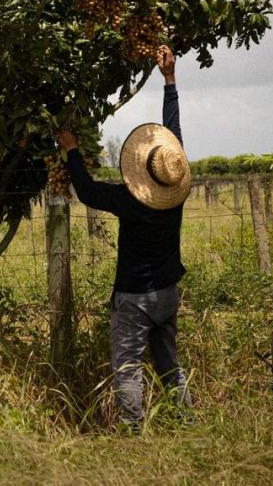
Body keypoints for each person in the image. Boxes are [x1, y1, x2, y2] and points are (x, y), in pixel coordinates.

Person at [57, 44, 192, 427]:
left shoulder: (129, 199)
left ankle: (133, 432)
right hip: (167, 291)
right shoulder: (176, 191)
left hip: (134, 297)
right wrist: (170, 82)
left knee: (128, 366)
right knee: (170, 364)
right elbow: (176, 145)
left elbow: (87, 191)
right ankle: (187, 422)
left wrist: (71, 151)